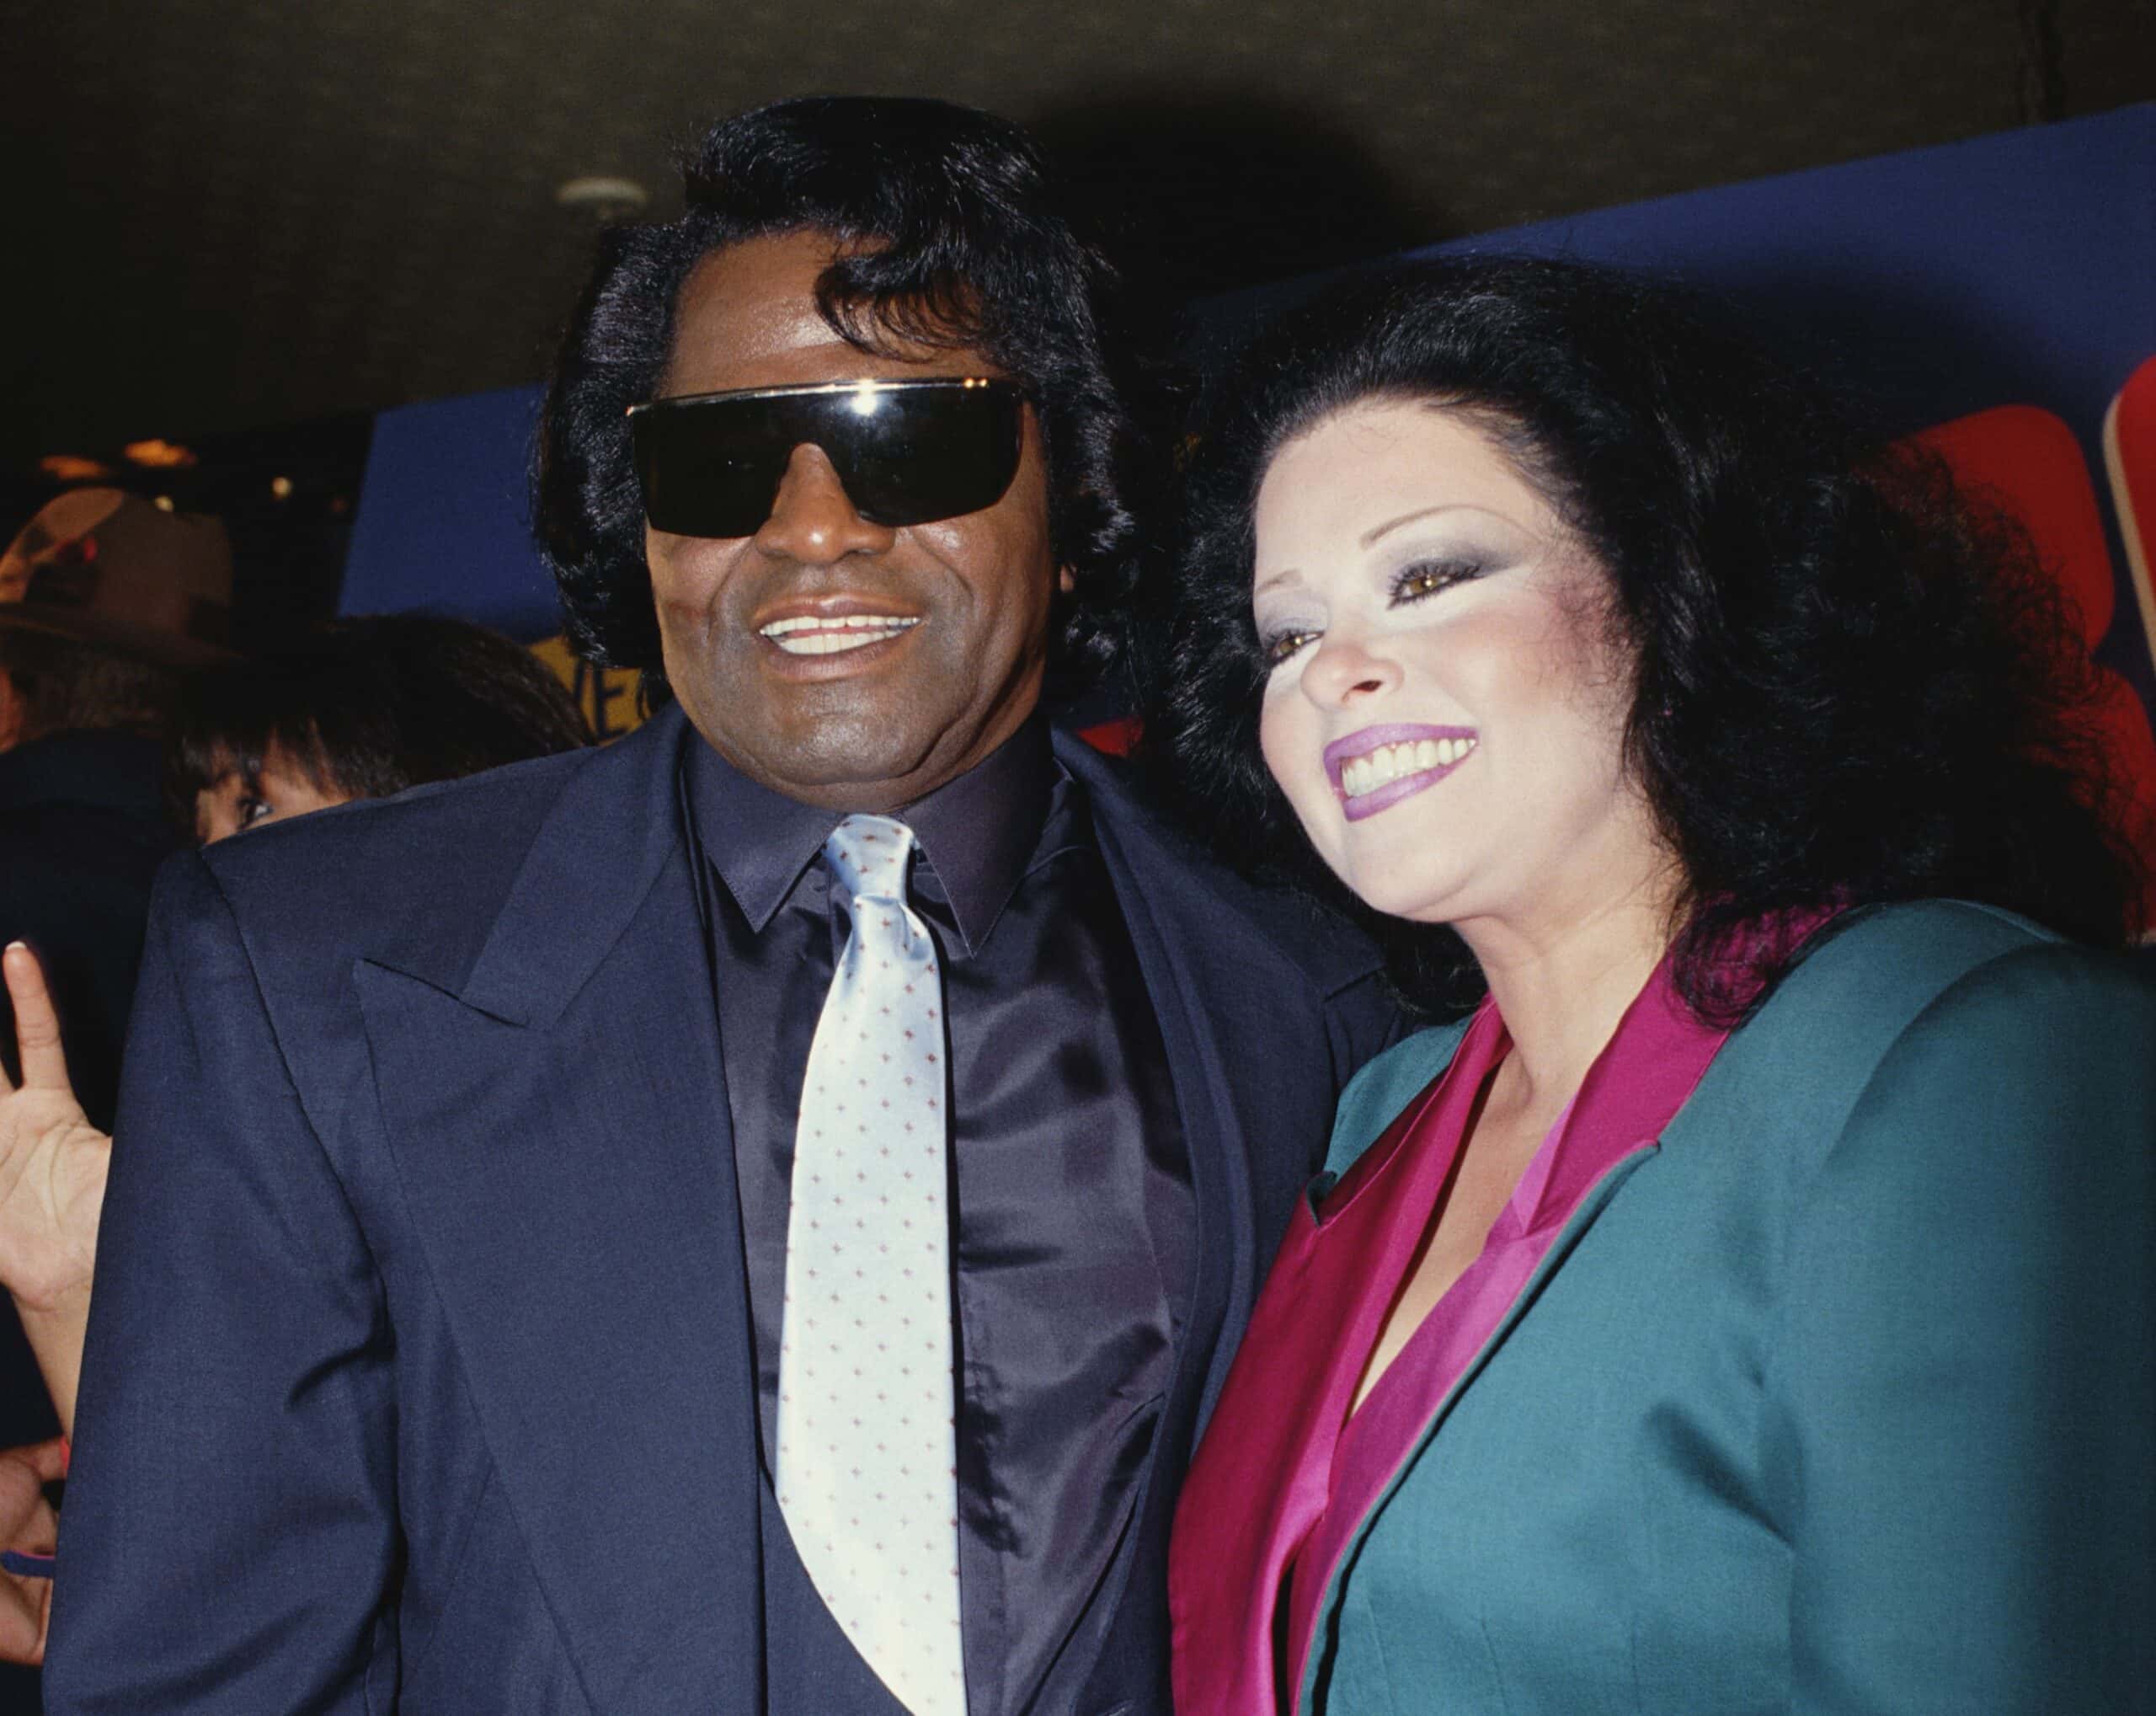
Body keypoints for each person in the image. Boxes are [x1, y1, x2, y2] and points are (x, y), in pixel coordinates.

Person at [45, 98, 1403, 1716]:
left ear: (1074, 488)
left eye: (914, 437)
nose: (811, 527)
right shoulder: (304, 963)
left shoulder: (1323, 979)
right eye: (721, 460)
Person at [1155, 256, 2156, 1714]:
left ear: (1673, 585)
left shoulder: (1970, 1054)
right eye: (1288, 634)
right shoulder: (1375, 1112)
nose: (1330, 673)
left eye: (1428, 578)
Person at [0, 611, 594, 1468]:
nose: (198, 876)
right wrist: (71, 1303)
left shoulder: (582, 1164)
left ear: (447, 811)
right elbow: (232, 1529)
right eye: (201, 830)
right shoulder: (270, 1173)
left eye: (256, 809)